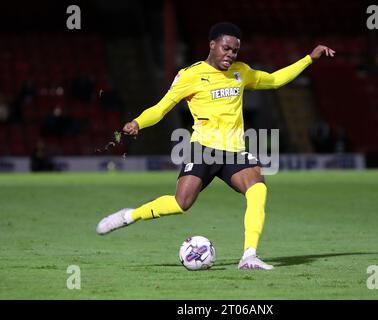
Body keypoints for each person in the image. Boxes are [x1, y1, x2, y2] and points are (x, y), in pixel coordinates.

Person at [96, 22, 335, 270]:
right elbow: (161, 107)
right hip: (204, 149)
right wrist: (138, 122)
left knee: (258, 190)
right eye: (226, 48)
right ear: (212, 45)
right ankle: (128, 216)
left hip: (234, 152)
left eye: (235, 50)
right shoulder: (190, 75)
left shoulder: (241, 72)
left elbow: (274, 80)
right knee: (181, 203)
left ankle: (249, 256)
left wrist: (309, 59)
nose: (230, 54)